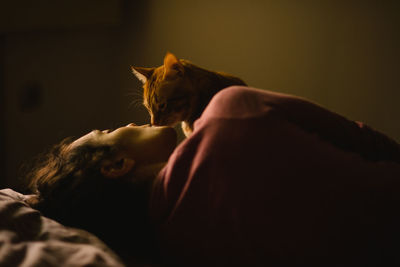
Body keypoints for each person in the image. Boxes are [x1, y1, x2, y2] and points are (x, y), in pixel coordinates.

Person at [27, 86, 400, 266]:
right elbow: (367, 142)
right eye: (108, 133)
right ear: (116, 166)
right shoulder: (229, 112)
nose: (124, 122)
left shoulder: (180, 253)